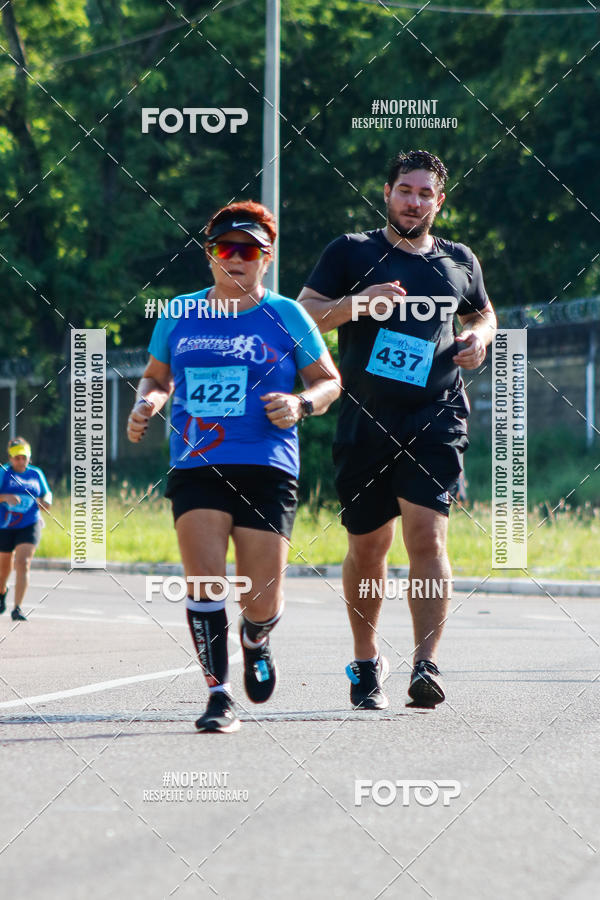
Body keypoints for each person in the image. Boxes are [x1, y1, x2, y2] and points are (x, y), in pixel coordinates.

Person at [127, 200, 340, 733]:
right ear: (210, 255)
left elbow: (329, 381)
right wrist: (147, 403)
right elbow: (157, 378)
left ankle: (258, 635)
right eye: (226, 249)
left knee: (261, 595)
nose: (236, 259)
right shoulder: (179, 313)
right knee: (204, 583)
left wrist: (301, 404)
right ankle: (218, 695)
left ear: (266, 258)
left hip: (267, 465)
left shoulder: (287, 315)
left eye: (249, 250)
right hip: (197, 464)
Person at [298, 150, 496, 710]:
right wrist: (360, 304)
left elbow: (483, 312)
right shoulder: (351, 251)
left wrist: (479, 339)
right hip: (365, 419)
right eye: (405, 190)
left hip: (437, 418)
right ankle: (365, 660)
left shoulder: (459, 260)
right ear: (386, 192)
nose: (414, 201)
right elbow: (303, 314)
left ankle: (426, 663)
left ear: (440, 200)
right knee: (368, 549)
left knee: (428, 538)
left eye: (425, 193)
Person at [0, 437, 53, 621]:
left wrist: (47, 501)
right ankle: (2, 591)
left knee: (23, 562)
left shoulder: (36, 473)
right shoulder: (3, 472)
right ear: (10, 458)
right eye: (17, 458)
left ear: (29, 457)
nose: (21, 461)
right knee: (3, 568)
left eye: (24, 457)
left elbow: (46, 492)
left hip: (29, 523)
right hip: (5, 524)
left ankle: (18, 608)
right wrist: (5, 496)